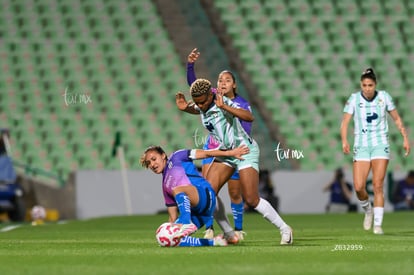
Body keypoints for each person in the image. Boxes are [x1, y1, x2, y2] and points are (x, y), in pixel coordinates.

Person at [176, 78, 293, 245]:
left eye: (202, 102)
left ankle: (285, 229)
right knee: (209, 193)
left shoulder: (223, 102)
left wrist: (225, 106)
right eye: (197, 103)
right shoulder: (202, 104)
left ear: (210, 95)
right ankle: (230, 234)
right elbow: (198, 109)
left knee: (251, 199)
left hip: (245, 151)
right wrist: (185, 108)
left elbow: (249, 116)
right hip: (227, 153)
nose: (200, 106)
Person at [186, 48, 253, 240]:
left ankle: (238, 229)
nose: (223, 83)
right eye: (220, 80)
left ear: (234, 85)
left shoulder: (241, 103)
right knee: (209, 188)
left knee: (234, 191)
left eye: (227, 80)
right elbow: (193, 84)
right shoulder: (212, 97)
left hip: (234, 149)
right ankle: (209, 228)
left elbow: (247, 126)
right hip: (213, 148)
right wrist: (190, 64)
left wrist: (236, 148)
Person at [340, 68, 410, 234]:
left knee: (378, 184)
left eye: (370, 85)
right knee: (358, 187)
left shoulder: (384, 97)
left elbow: (397, 119)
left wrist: (405, 137)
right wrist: (344, 140)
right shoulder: (354, 99)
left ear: (375, 84)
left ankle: (378, 225)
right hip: (361, 145)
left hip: (380, 144)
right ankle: (368, 210)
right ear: (361, 84)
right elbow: (344, 122)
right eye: (364, 85)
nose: (367, 88)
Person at [140, 144, 249, 246]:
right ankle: (215, 242)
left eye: (154, 159)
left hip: (206, 194)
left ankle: (186, 222)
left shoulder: (177, 157)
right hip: (202, 214)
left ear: (163, 155)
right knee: (174, 238)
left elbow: (206, 153)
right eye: (149, 163)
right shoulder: (165, 186)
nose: (152, 165)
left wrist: (230, 153)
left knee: (177, 189)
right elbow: (172, 218)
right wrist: (169, 234)